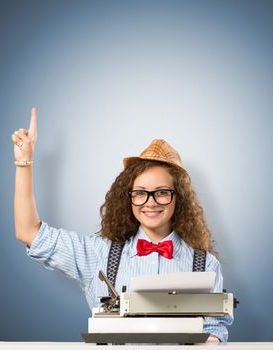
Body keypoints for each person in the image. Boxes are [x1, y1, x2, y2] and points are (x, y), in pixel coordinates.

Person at [12, 107, 233, 343]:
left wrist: (209, 341)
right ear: (128, 198)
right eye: (140, 193)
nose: (150, 203)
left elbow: (214, 330)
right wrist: (24, 163)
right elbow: (28, 232)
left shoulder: (206, 265)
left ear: (179, 198)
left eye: (162, 193)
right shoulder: (99, 254)